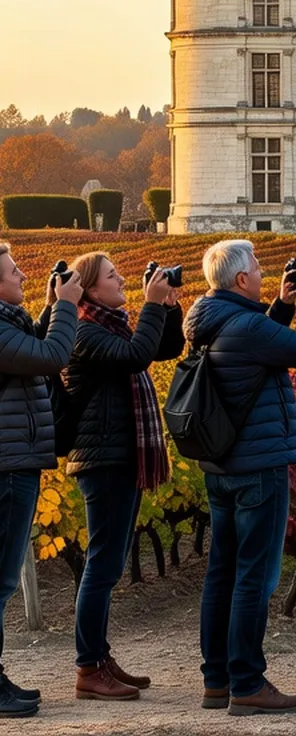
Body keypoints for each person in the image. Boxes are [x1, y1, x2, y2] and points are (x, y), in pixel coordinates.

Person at [184, 241, 296, 716]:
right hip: (259, 467)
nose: (266, 274)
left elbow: (253, 350)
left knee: (222, 573)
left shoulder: (209, 320)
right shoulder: (246, 326)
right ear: (241, 280)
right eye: (259, 269)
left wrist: (282, 305)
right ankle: (247, 681)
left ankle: (217, 680)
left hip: (222, 466)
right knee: (254, 577)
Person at [55, 254, 184, 701]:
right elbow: (136, 357)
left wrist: (167, 306)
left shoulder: (108, 324)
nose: (124, 279)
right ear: (90, 290)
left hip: (119, 456)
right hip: (103, 459)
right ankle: (88, 668)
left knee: (108, 567)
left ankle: (99, 657)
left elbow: (164, 349)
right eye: (113, 276)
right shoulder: (84, 331)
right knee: (101, 567)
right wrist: (150, 306)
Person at [0, 243, 82, 719]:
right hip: (8, 466)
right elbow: (51, 355)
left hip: (16, 461)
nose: (24, 275)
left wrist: (53, 304)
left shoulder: (9, 323)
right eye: (14, 271)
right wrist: (68, 306)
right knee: (0, 580)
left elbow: (35, 343)